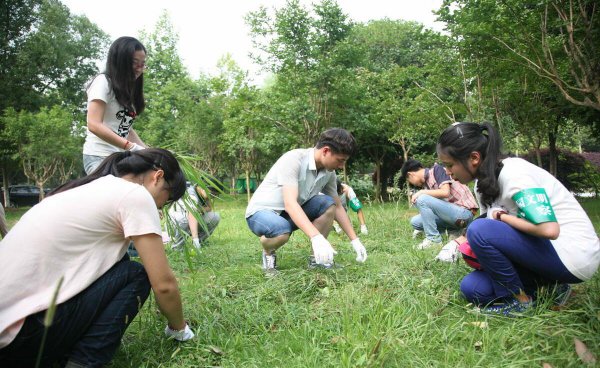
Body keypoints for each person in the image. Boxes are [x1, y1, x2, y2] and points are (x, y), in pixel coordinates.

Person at [0, 149, 195, 367]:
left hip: (10, 330)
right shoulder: (135, 195)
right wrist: (180, 330)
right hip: (20, 339)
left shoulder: (82, 189)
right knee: (135, 274)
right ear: (157, 177)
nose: (161, 206)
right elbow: (164, 285)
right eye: (166, 198)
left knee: (120, 264)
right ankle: (83, 362)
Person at [437, 122, 600, 316]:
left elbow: (550, 230)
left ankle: (518, 302)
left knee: (479, 230)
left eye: (449, 165)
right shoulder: (482, 183)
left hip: (572, 254)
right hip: (542, 252)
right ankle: (551, 288)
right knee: (473, 288)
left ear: (474, 158)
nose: (447, 172)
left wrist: (502, 217)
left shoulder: (514, 173)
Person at [245, 128, 367, 272]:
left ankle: (317, 261)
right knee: (281, 230)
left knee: (328, 204)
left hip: (290, 213)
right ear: (326, 151)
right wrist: (316, 237)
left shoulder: (329, 173)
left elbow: (338, 206)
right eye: (340, 160)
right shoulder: (293, 159)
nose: (341, 166)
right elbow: (290, 203)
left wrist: (355, 240)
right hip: (262, 212)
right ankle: (267, 251)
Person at [82, 36, 149, 175]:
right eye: (134, 62)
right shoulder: (103, 82)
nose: (139, 68)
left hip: (120, 159)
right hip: (98, 158)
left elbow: (126, 130)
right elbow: (93, 124)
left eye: (143, 64)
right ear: (120, 61)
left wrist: (151, 152)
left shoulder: (128, 92)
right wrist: (130, 147)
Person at [400, 158, 478, 250]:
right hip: (452, 216)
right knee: (415, 222)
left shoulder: (437, 170)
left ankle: (434, 240)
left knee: (421, 198)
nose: (413, 184)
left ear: (410, 174)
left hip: (464, 214)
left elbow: (445, 192)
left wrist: (421, 192)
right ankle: (454, 231)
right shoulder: (427, 184)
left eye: (409, 180)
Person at [168, 183, 221, 249]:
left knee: (215, 217)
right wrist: (195, 239)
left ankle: (199, 242)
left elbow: (209, 208)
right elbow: (192, 215)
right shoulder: (191, 194)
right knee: (185, 218)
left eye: (215, 195)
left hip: (190, 218)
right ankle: (177, 247)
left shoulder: (201, 192)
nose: (212, 197)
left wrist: (198, 210)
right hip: (176, 221)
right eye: (212, 194)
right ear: (202, 187)